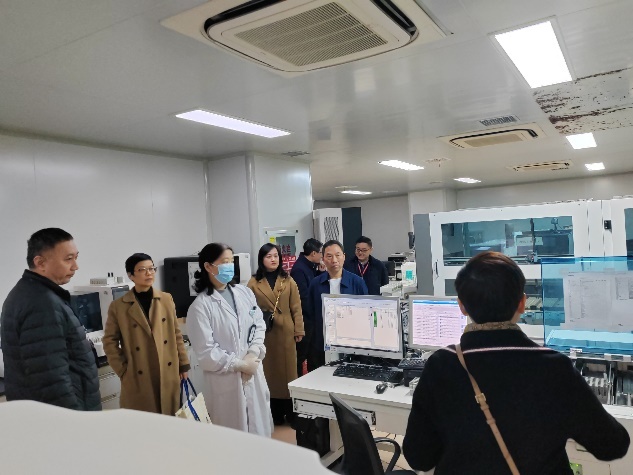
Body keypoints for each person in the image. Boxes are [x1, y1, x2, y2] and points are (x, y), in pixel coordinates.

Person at [403, 251, 630, 474]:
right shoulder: (554, 367)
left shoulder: (441, 365)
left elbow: (418, 458)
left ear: (461, 306)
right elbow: (612, 445)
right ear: (522, 303)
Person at [0, 228, 101, 410]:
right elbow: (50, 379)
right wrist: (75, 418)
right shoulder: (41, 303)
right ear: (40, 263)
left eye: (76, 257)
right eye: (68, 259)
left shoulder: (30, 293)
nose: (75, 266)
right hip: (64, 413)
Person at [186, 243, 273, 436]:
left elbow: (259, 324)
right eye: (224, 262)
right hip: (226, 382)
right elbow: (207, 352)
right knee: (232, 437)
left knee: (260, 433)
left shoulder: (245, 293)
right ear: (208, 266)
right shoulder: (200, 307)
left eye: (231, 261)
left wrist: (253, 353)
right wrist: (239, 365)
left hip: (253, 372)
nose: (230, 266)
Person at [103, 253, 190, 415]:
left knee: (170, 419)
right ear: (131, 275)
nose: (149, 273)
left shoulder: (166, 299)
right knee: (144, 421)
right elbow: (109, 341)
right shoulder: (118, 306)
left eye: (151, 268)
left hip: (167, 370)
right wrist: (123, 371)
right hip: (138, 373)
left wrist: (183, 364)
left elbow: (176, 332)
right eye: (143, 269)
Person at [248, 243, 304, 425]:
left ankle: (291, 412)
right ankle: (274, 414)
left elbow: (296, 307)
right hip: (265, 332)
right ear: (261, 259)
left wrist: (299, 329)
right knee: (269, 373)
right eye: (268, 256)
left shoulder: (288, 280)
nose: (273, 259)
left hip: (286, 331)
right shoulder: (253, 283)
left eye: (276, 256)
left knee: (288, 373)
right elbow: (248, 310)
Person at [306, 240, 368, 371]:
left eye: (338, 255)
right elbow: (310, 315)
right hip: (323, 341)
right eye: (329, 256)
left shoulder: (357, 282)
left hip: (352, 341)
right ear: (323, 259)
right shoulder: (315, 284)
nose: (334, 260)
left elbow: (365, 314)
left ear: (344, 256)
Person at [290, 238, 323, 377]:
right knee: (301, 356)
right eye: (321, 253)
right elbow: (303, 297)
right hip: (305, 320)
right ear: (313, 253)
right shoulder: (299, 269)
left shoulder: (311, 266)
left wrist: (320, 273)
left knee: (313, 355)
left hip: (311, 319)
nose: (322, 256)